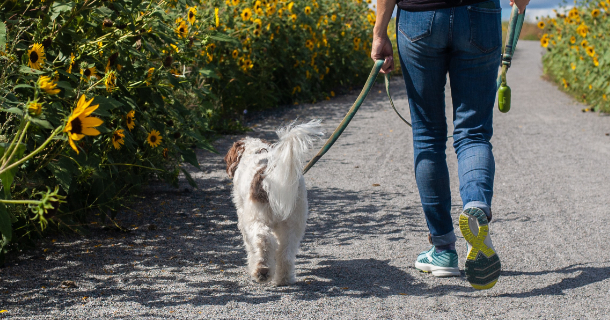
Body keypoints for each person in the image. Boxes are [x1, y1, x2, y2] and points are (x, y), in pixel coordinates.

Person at [371, 0, 530, 290]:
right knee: (473, 133)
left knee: (428, 135)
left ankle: (443, 250)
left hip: (418, 17)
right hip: (479, 14)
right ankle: (476, 205)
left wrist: (380, 32)